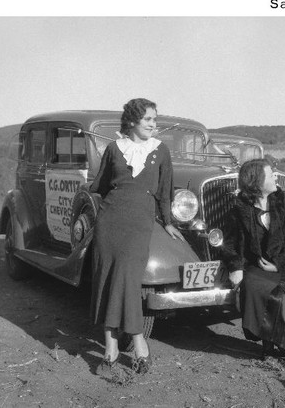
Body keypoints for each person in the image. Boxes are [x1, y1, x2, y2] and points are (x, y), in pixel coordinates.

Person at [90, 98, 184, 379]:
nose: (154, 125)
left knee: (129, 280)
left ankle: (138, 341)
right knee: (106, 277)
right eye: (148, 120)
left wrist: (168, 223)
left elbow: (165, 192)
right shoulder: (114, 148)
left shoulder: (161, 151)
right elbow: (101, 186)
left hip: (140, 223)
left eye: (155, 120)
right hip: (110, 221)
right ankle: (111, 346)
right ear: (131, 121)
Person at [221, 159, 285, 360]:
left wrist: (279, 262)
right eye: (270, 175)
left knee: (282, 295)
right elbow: (229, 243)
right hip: (255, 266)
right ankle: (267, 342)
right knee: (255, 288)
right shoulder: (239, 208)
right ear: (256, 181)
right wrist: (235, 267)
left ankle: (284, 346)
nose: (275, 177)